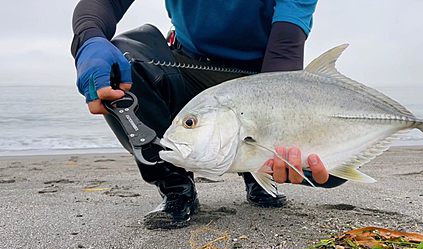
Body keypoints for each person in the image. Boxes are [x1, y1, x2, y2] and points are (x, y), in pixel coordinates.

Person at [71, 0, 346, 229]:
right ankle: (176, 186)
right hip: (187, 66)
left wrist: (274, 133)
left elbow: (286, 47)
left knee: (331, 170)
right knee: (122, 63)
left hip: (263, 72)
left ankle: (258, 168)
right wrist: (89, 40)